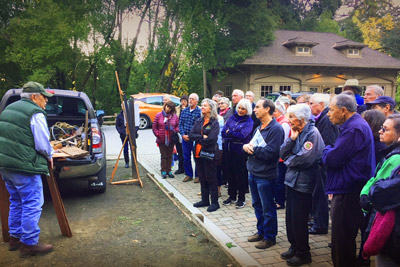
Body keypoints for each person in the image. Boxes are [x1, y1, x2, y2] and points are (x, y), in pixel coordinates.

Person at [0, 81, 54, 257]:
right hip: (25, 166)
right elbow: (42, 144)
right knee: (32, 203)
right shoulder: (35, 113)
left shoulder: (8, 109)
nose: (46, 100)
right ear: (33, 97)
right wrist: (50, 155)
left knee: (16, 201)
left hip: (6, 165)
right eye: (44, 97)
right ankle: (29, 244)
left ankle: (14, 238)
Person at [323, 94, 375, 267]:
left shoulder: (354, 128)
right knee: (343, 239)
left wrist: (326, 151)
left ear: (343, 111)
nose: (328, 114)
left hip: (348, 190)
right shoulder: (354, 125)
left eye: (331, 110)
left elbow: (333, 159)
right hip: (349, 187)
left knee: (342, 241)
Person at [279, 104, 325, 266]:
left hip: (304, 182)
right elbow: (282, 152)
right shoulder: (296, 132)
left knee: (299, 219)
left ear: (301, 119)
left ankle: (303, 253)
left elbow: (305, 159)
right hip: (292, 180)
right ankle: (294, 246)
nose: (288, 120)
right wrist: (291, 140)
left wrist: (289, 161)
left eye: (291, 117)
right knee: (290, 218)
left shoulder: (313, 134)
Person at [359, 114, 400, 266]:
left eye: (385, 129)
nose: (380, 131)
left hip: (390, 228)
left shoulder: (396, 158)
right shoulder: (390, 153)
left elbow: (378, 188)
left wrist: (365, 195)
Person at [243, 98, 284, 250]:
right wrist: (247, 147)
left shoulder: (276, 129)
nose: (254, 109)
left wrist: (252, 149)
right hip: (253, 172)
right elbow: (253, 145)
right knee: (257, 205)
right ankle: (261, 232)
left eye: (258, 107)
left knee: (268, 208)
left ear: (267, 109)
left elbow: (271, 153)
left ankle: (269, 237)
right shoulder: (259, 127)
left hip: (265, 175)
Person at [308, 93, 339, 235]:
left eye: (311, 103)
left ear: (321, 105)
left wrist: (320, 161)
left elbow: (328, 143)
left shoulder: (326, 120)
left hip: (322, 164)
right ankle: (317, 222)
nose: (309, 106)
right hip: (320, 162)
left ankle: (320, 225)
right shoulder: (321, 118)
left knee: (320, 195)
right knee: (317, 194)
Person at [221, 99, 254, 209]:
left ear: (247, 110)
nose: (240, 110)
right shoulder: (232, 118)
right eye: (239, 108)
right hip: (228, 149)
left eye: (243, 108)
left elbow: (243, 136)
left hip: (240, 151)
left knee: (240, 175)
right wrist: (232, 134)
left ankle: (241, 198)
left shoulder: (249, 121)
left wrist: (230, 132)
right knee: (229, 174)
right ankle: (232, 196)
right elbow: (223, 132)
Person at [189, 99, 220, 212]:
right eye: (201, 105)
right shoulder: (199, 121)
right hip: (198, 154)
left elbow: (212, 139)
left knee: (211, 178)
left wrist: (200, 138)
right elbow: (191, 135)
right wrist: (202, 137)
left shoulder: (214, 122)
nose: (202, 107)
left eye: (205, 106)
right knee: (202, 177)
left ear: (211, 108)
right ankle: (205, 200)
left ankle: (215, 202)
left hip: (209, 153)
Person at [152, 101, 179, 178]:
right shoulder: (159, 115)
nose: (168, 109)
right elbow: (154, 126)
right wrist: (158, 134)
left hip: (171, 138)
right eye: (167, 106)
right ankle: (163, 171)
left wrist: (176, 131)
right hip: (161, 139)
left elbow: (177, 125)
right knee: (163, 155)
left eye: (170, 108)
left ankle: (169, 171)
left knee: (170, 155)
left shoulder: (174, 116)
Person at [272, 101, 291, 210]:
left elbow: (283, 142)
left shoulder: (283, 123)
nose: (272, 113)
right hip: (278, 156)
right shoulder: (279, 122)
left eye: (274, 111)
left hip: (281, 157)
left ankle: (280, 201)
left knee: (280, 181)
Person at [179, 93, 201, 183]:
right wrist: (183, 134)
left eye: (193, 99)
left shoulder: (199, 112)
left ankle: (198, 175)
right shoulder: (184, 111)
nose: (190, 100)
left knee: (197, 157)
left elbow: (199, 126)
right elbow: (180, 124)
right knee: (186, 157)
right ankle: (189, 174)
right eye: (190, 98)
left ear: (197, 101)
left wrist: (191, 136)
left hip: (195, 138)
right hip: (185, 138)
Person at [174, 95, 188, 175]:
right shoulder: (177, 109)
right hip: (178, 133)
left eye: (185, 101)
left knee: (186, 153)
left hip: (186, 134)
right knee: (179, 152)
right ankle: (180, 168)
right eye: (182, 100)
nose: (183, 102)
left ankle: (186, 169)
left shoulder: (189, 109)